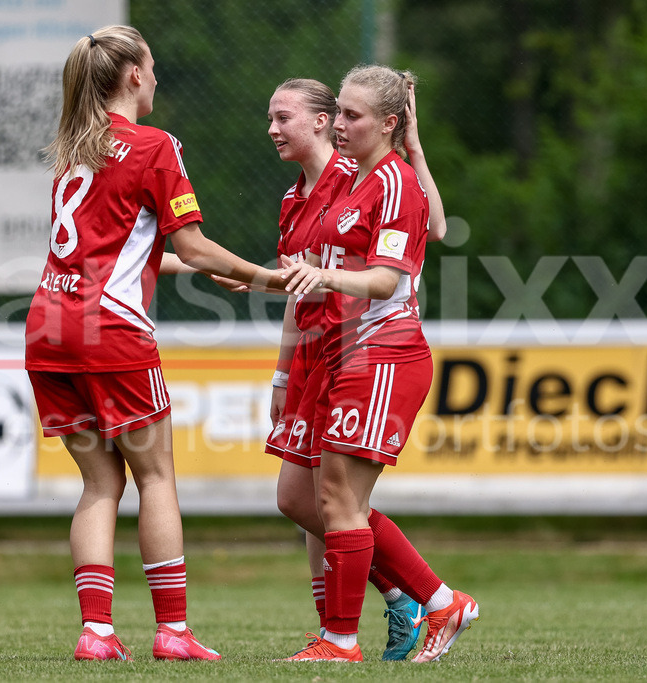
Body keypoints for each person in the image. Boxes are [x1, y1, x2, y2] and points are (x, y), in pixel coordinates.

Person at [24, 25, 284, 662]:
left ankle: (97, 633)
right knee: (157, 476)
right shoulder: (154, 145)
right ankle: (172, 631)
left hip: (52, 328)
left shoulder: (73, 150)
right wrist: (267, 276)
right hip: (110, 331)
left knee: (97, 486)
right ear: (134, 76)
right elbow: (188, 241)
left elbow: (111, 253)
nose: (159, 78)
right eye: (153, 67)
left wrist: (193, 269)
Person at [279, 65, 480, 663]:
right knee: (300, 496)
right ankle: (439, 602)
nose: (339, 124)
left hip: (383, 350)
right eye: (337, 111)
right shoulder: (352, 179)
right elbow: (433, 228)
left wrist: (322, 274)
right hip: (339, 352)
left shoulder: (393, 182)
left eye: (352, 115)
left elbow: (387, 278)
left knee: (339, 498)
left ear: (388, 123)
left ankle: (342, 639)